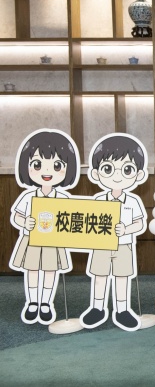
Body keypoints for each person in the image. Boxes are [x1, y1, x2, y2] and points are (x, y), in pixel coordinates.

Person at [10, 129, 80, 325]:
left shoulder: (63, 197)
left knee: (50, 272)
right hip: (32, 239)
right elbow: (16, 215)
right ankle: (33, 302)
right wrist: (25, 222)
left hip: (53, 242)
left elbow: (72, 219)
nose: (46, 172)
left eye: (57, 165)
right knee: (32, 271)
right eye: (37, 164)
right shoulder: (28, 196)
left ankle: (46, 303)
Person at [80, 134, 148, 331]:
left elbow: (139, 223)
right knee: (99, 276)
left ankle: (122, 309)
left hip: (124, 246)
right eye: (108, 169)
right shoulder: (99, 200)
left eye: (127, 169)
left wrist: (126, 229)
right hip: (101, 245)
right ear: (96, 174)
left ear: (138, 175)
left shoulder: (133, 201)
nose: (117, 176)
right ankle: (97, 307)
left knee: (122, 277)